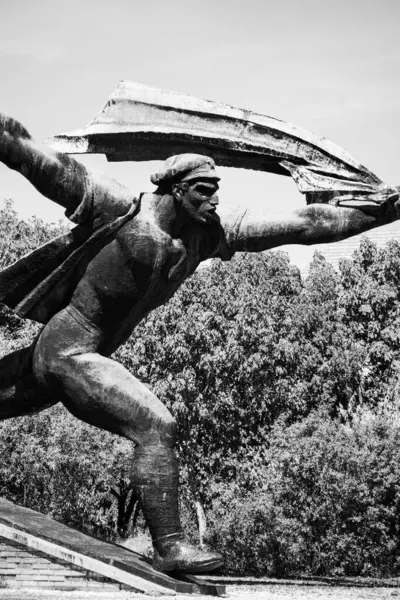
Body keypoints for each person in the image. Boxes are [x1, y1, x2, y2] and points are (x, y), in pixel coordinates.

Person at [0, 113, 399, 573]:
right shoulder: (117, 206)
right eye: (203, 190)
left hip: (76, 357)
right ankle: (170, 547)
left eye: (215, 192)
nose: (213, 201)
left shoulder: (206, 236)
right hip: (68, 352)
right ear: (175, 188)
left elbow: (305, 224)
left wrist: (385, 211)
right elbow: (27, 151)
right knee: (155, 426)